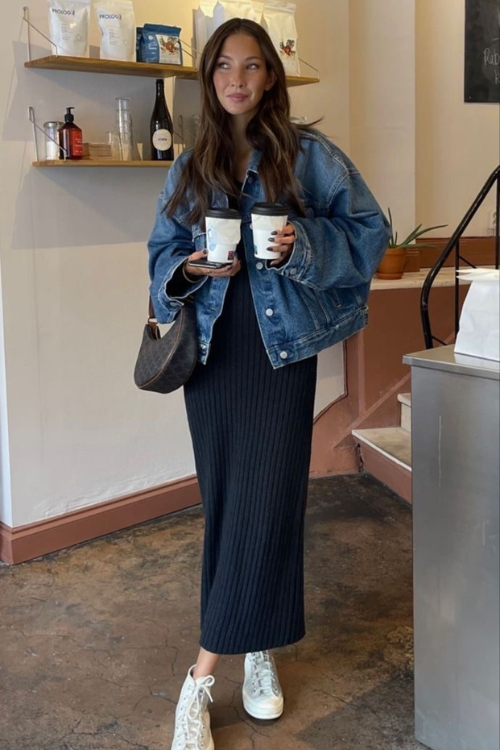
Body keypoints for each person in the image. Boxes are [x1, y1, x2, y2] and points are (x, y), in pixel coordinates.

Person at [147, 17, 390, 750]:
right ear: (208, 77)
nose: (237, 79)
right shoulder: (191, 166)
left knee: (267, 500)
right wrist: (189, 267)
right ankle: (258, 646)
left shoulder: (309, 156)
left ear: (270, 76)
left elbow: (370, 231)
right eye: (224, 66)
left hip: (280, 355)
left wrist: (301, 245)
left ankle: (200, 677)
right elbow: (162, 251)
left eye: (251, 66)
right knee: (230, 504)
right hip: (212, 358)